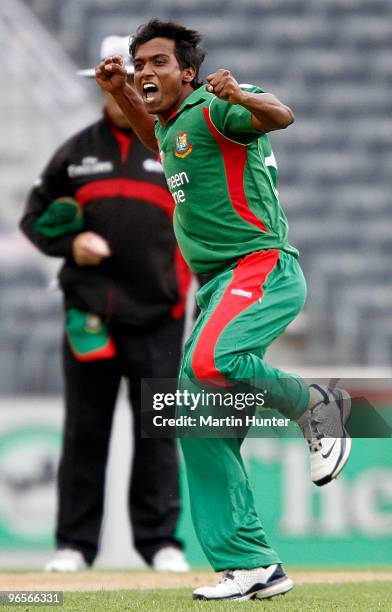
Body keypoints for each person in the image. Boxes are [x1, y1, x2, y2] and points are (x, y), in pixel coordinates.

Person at [95, 19, 352, 600]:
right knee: (195, 414)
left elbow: (280, 116)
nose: (146, 73)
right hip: (217, 285)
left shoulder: (215, 107)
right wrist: (120, 94)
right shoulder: (174, 125)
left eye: (158, 63)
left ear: (188, 71)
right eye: (141, 65)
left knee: (214, 360)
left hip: (261, 267)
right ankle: (251, 563)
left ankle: (319, 406)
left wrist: (244, 95)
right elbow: (158, 143)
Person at [20, 34, 191, 574]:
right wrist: (70, 244)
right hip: (90, 315)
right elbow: (34, 216)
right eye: (113, 80)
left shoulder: (174, 147)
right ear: (101, 83)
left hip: (159, 317)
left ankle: (160, 542)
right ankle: (74, 545)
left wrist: (183, 290)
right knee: (85, 431)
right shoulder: (74, 153)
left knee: (158, 432)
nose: (126, 90)